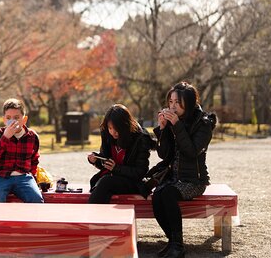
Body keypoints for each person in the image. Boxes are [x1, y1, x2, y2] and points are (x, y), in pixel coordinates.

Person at [151, 82, 217, 258]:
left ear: (188, 103)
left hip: (194, 181)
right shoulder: (174, 122)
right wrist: (163, 129)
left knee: (167, 194)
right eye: (170, 102)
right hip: (175, 178)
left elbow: (192, 151)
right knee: (157, 196)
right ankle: (173, 242)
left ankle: (177, 247)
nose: (172, 106)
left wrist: (177, 125)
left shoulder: (203, 123)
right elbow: (164, 155)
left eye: (177, 103)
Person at [87, 104, 154, 204]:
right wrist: (96, 160)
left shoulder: (140, 138)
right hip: (112, 180)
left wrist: (116, 168)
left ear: (125, 125)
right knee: (105, 183)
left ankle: (93, 217)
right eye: (110, 128)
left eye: (116, 128)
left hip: (133, 183)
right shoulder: (107, 135)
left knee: (106, 182)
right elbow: (106, 162)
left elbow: (141, 172)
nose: (113, 132)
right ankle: (99, 217)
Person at [0, 98, 44, 203]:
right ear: (4, 119)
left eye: (16, 118)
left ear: (24, 119)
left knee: (36, 200)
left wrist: (33, 177)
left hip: (23, 177)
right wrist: (5, 138)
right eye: (8, 118)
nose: (12, 121)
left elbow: (34, 159)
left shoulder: (32, 136)